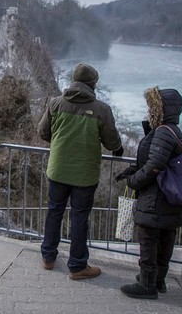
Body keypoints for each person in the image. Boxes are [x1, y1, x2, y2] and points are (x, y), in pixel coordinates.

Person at [38, 63, 123, 279]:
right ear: (93, 84)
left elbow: (43, 132)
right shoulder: (101, 109)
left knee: (54, 211)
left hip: (57, 169)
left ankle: (48, 257)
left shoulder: (56, 103)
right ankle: (77, 266)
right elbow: (112, 142)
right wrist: (118, 149)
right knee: (79, 217)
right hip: (84, 175)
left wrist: (59, 142)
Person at [115, 87, 182, 299]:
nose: (149, 111)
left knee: (148, 240)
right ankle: (158, 281)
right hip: (169, 198)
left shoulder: (164, 132)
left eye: (152, 107)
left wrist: (133, 181)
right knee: (165, 239)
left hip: (156, 198)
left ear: (161, 109)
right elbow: (154, 157)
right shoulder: (171, 130)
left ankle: (147, 285)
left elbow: (155, 165)